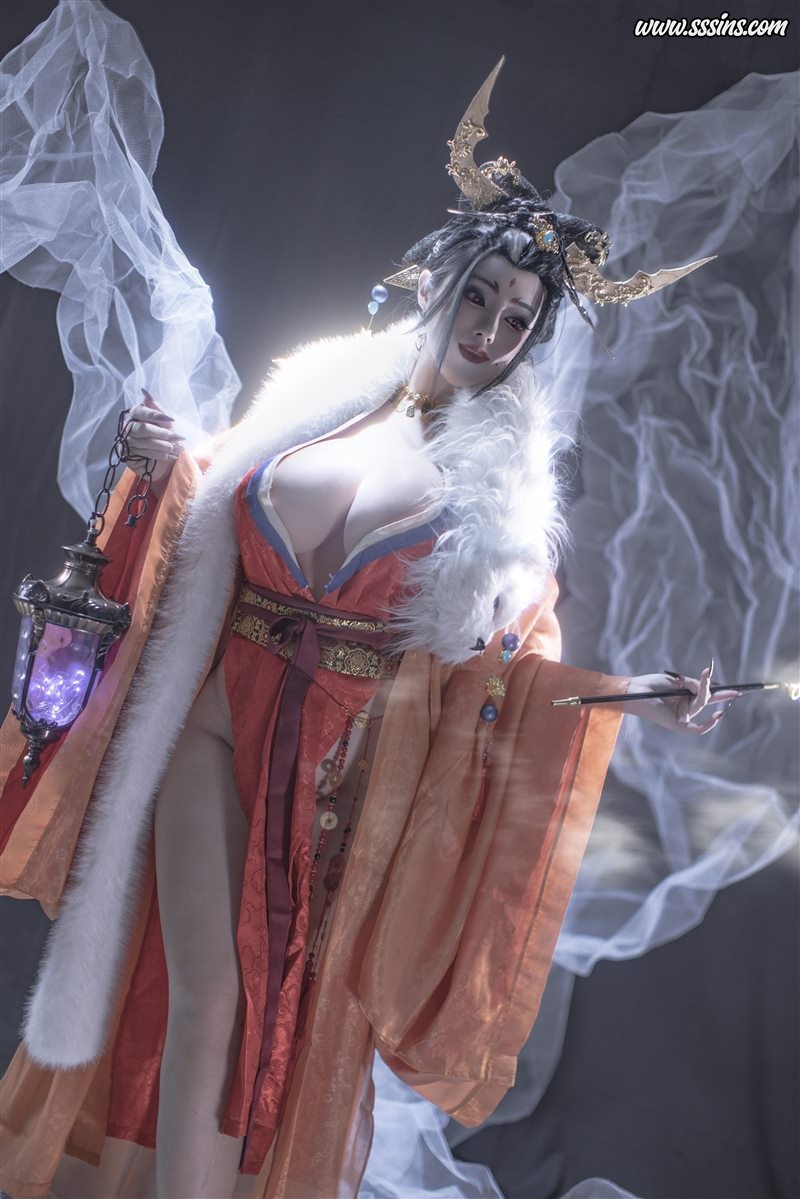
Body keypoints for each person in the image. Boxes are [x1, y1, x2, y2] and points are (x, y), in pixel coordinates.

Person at [0, 58, 738, 1199]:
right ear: (440, 280)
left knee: (265, 1023)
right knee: (205, 991)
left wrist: (636, 693)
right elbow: (219, 507)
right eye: (480, 295)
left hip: (339, 778)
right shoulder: (317, 401)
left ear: (533, 338)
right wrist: (167, 458)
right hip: (208, 727)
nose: (490, 327)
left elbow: (511, 667)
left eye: (517, 318)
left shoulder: (497, 504)